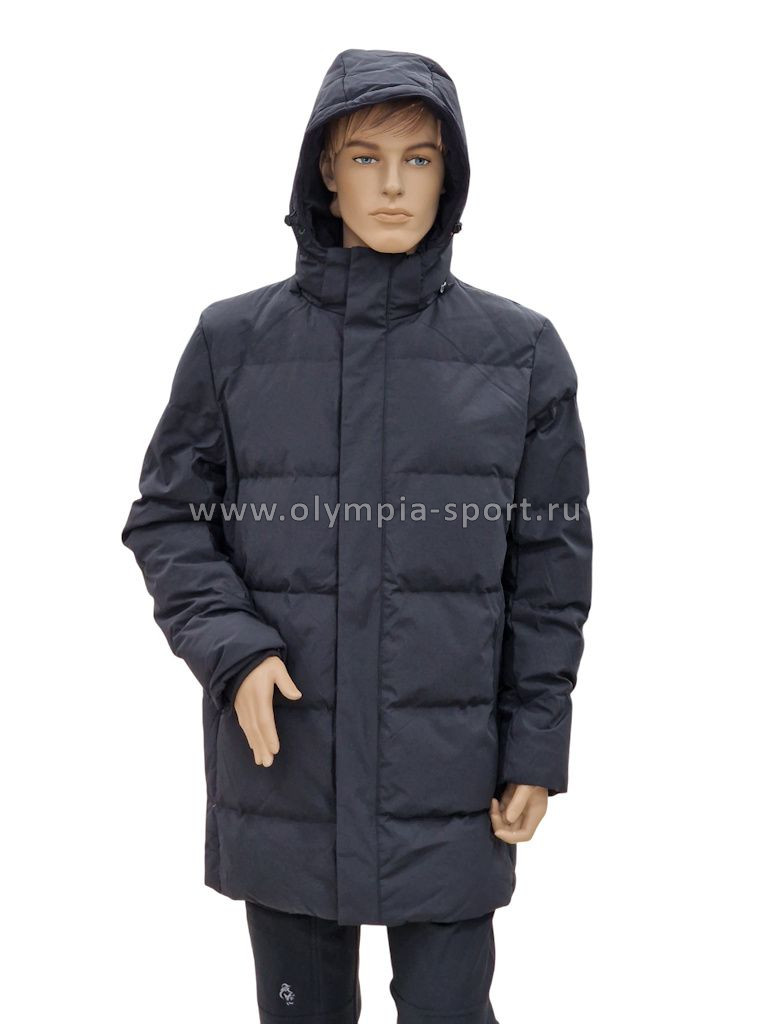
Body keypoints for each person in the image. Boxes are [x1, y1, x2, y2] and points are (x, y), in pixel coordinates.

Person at [122, 47, 592, 1023]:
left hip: (451, 774)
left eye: (418, 159)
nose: (391, 185)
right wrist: (235, 648)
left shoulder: (520, 355)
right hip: (287, 765)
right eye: (365, 158)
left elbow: (550, 571)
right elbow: (168, 516)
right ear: (324, 173)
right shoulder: (234, 344)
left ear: (450, 176)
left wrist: (536, 745)